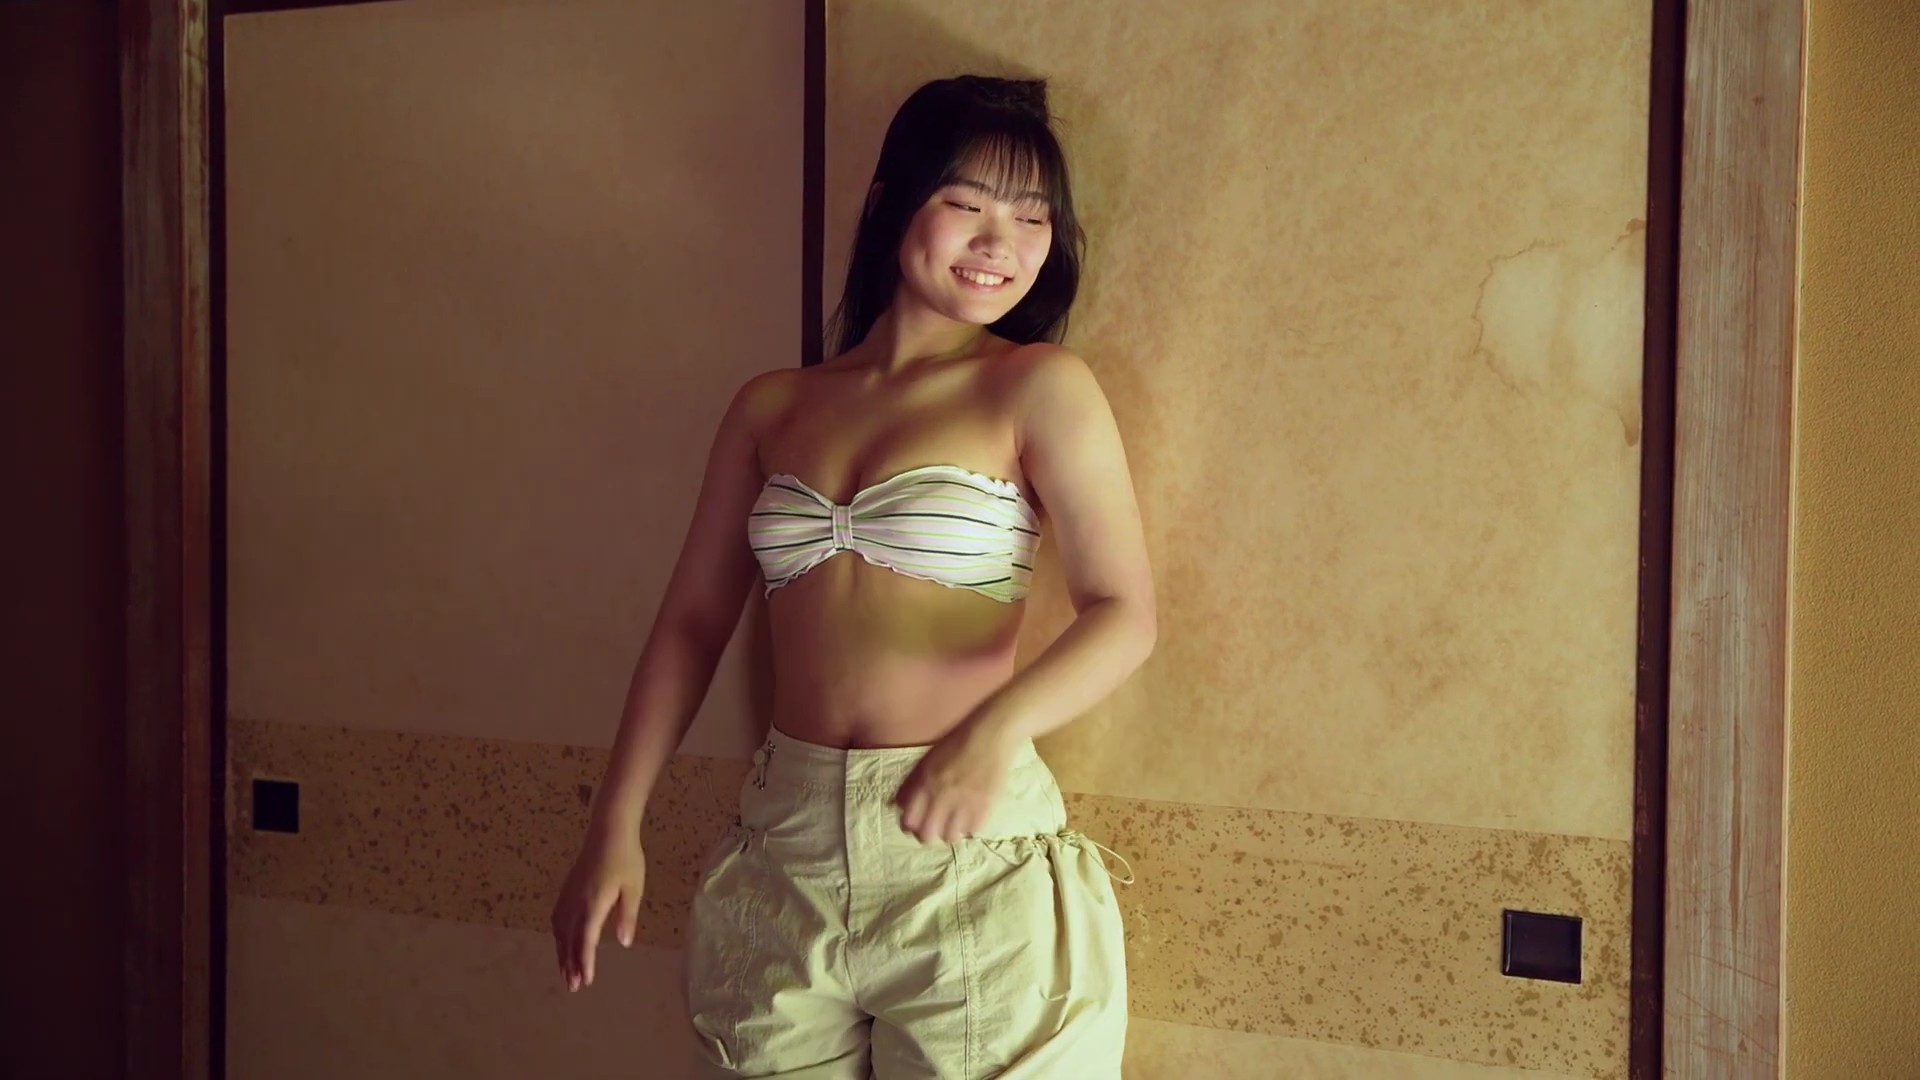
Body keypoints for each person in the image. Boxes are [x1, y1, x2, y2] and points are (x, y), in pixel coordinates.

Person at [550, 74, 1156, 1079]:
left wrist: (994, 734)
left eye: (1032, 217)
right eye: (966, 203)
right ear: (889, 203)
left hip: (967, 840)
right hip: (784, 841)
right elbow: (693, 622)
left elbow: (1123, 613)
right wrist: (615, 823)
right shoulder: (772, 406)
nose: (1000, 242)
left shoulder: (1036, 386)